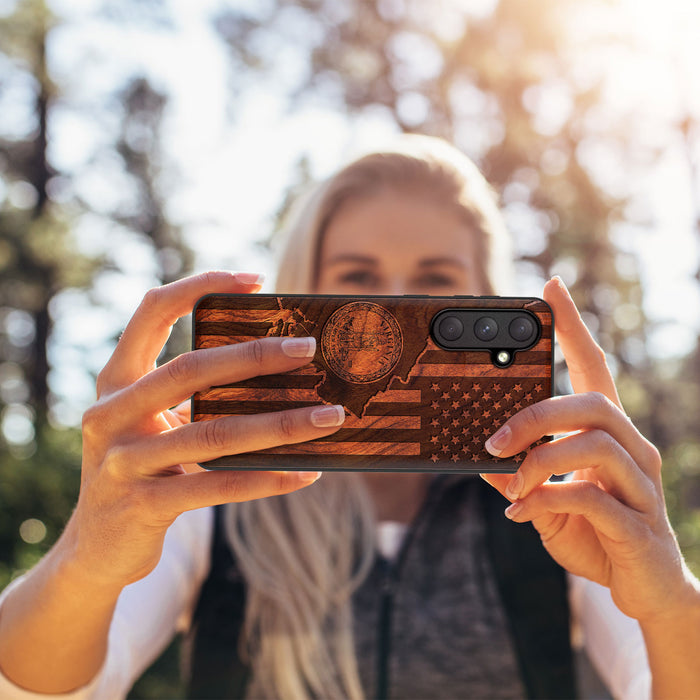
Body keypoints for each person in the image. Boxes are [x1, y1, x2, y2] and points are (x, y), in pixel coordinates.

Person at [0, 135, 699, 700]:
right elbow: (47, 687)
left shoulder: (553, 501)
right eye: (358, 278)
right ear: (303, 289)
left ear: (488, 301)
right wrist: (87, 558)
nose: (393, 308)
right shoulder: (212, 495)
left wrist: (670, 602)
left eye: (434, 283)